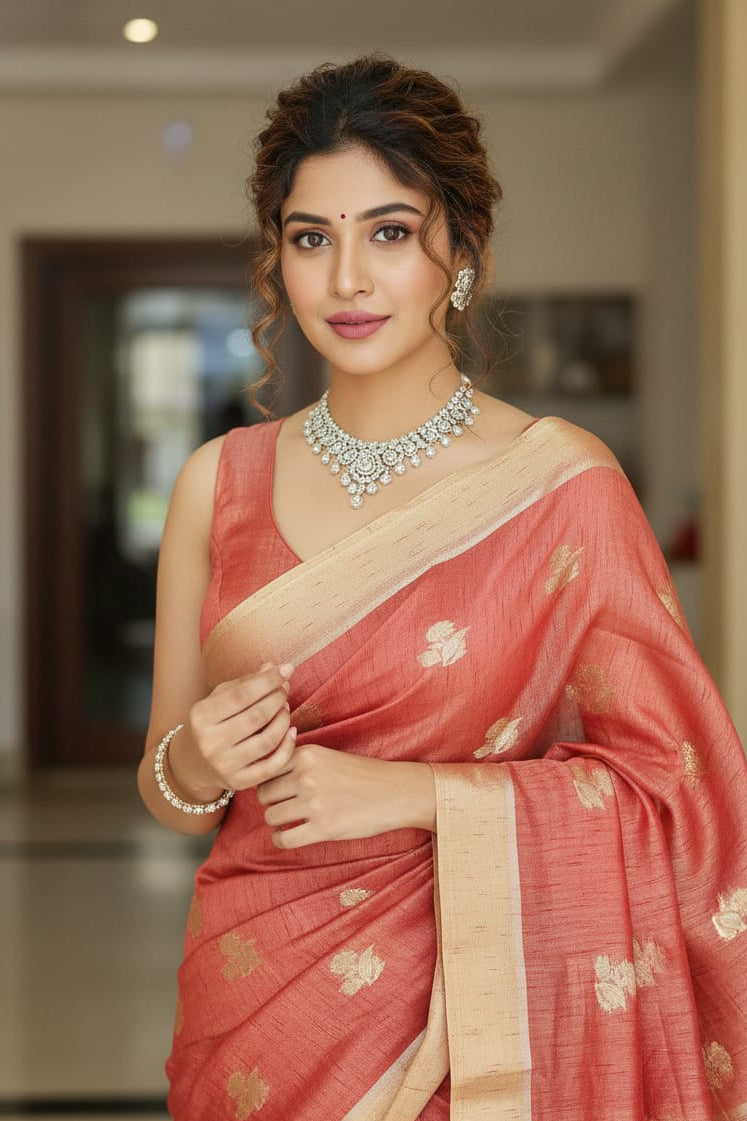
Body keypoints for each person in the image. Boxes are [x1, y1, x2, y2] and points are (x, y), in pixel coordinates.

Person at [137, 54, 747, 1121]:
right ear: (278, 262)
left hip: (476, 1030)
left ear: (461, 253)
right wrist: (197, 758)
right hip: (261, 1011)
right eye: (310, 238)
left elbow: (678, 790)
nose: (347, 279)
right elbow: (169, 791)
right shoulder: (214, 484)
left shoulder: (562, 487)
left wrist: (415, 795)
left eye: (389, 232)